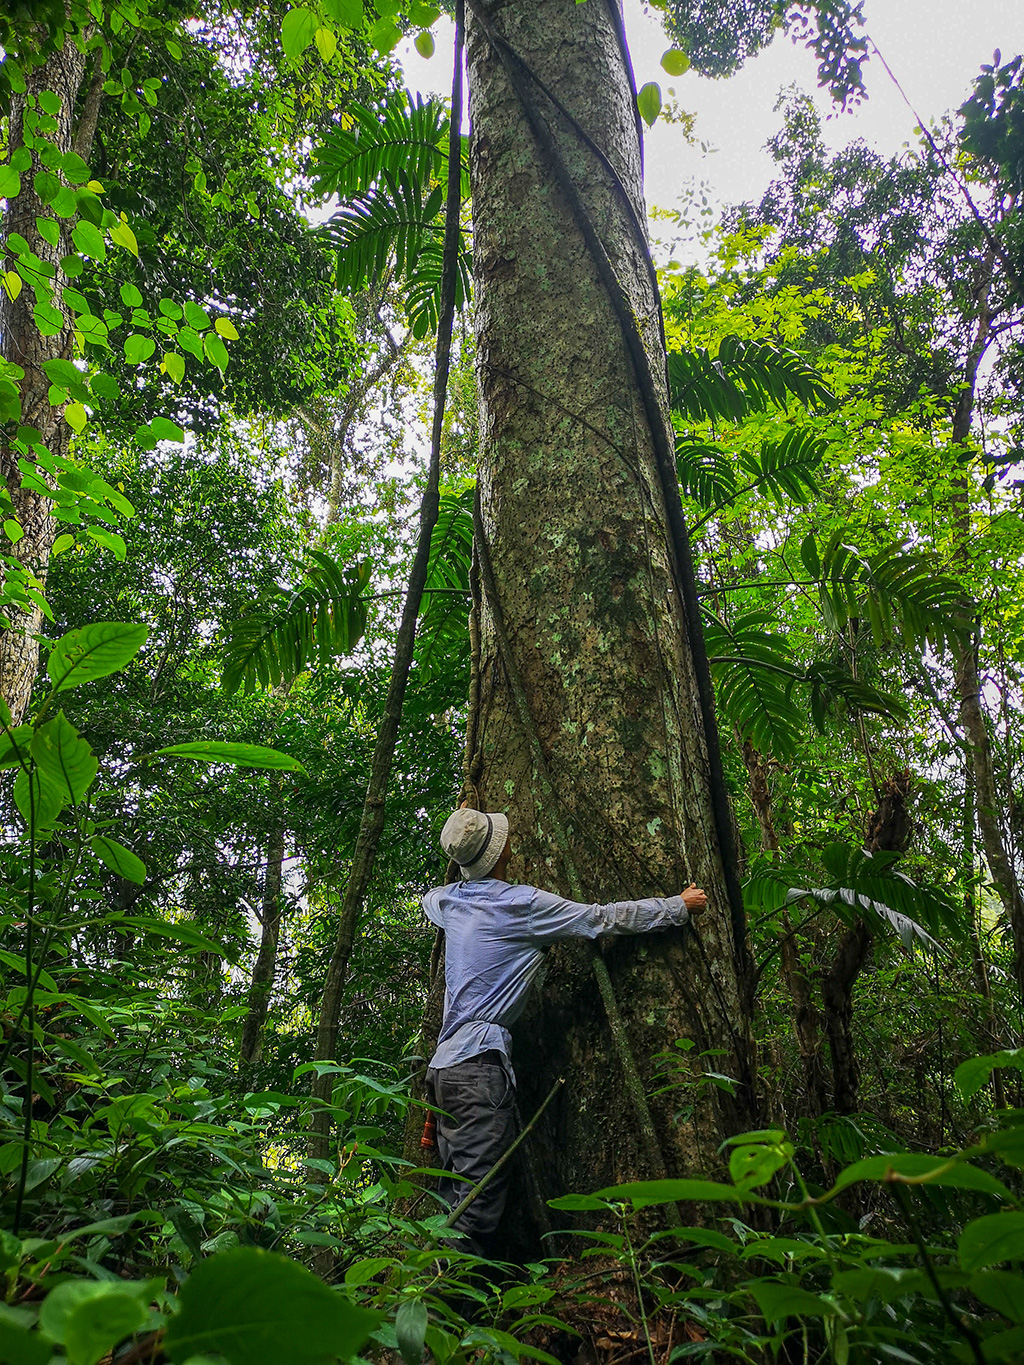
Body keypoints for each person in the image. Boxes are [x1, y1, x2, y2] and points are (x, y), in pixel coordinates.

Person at [422, 805, 707, 1261]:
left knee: (453, 1197)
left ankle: (433, 1302)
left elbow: (430, 897)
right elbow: (601, 919)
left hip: (441, 1075)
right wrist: (677, 906)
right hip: (476, 1071)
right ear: (501, 853)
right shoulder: (522, 905)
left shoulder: (448, 902)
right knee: (476, 1206)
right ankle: (432, 1312)